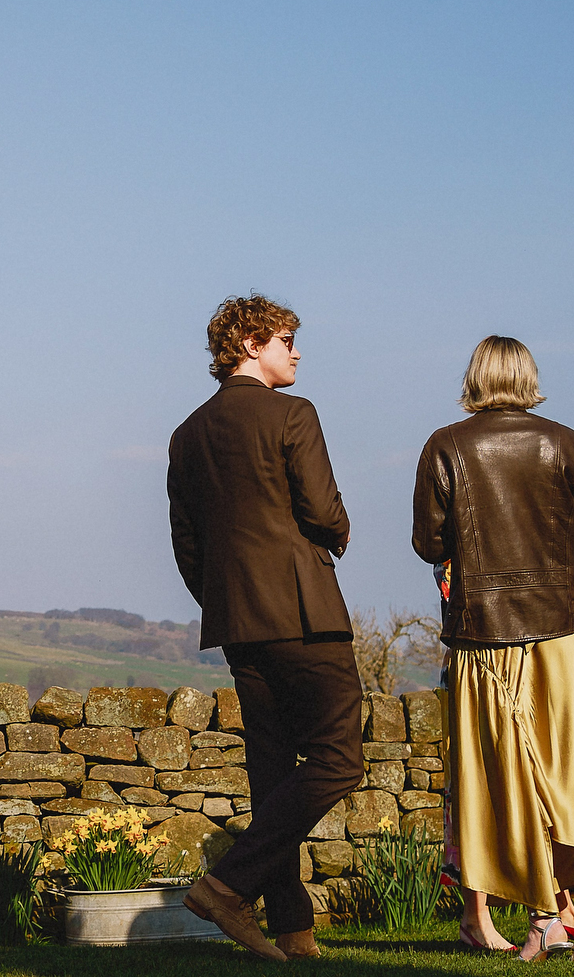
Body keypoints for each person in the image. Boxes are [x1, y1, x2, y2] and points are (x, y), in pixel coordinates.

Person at [413, 336, 574, 962]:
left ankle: (543, 918)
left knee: (511, 777)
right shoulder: (568, 443)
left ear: (475, 378)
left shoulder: (445, 445)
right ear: (529, 376)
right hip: (564, 633)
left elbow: (429, 544)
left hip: (486, 634)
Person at [168, 293, 361, 963]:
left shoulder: (186, 434)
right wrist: (338, 533)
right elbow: (323, 509)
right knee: (340, 760)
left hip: (237, 621)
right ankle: (224, 887)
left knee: (274, 773)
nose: (297, 350)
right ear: (250, 343)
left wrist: (226, 598)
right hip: (304, 611)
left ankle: (294, 935)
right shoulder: (292, 414)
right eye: (286, 339)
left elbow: (187, 547)